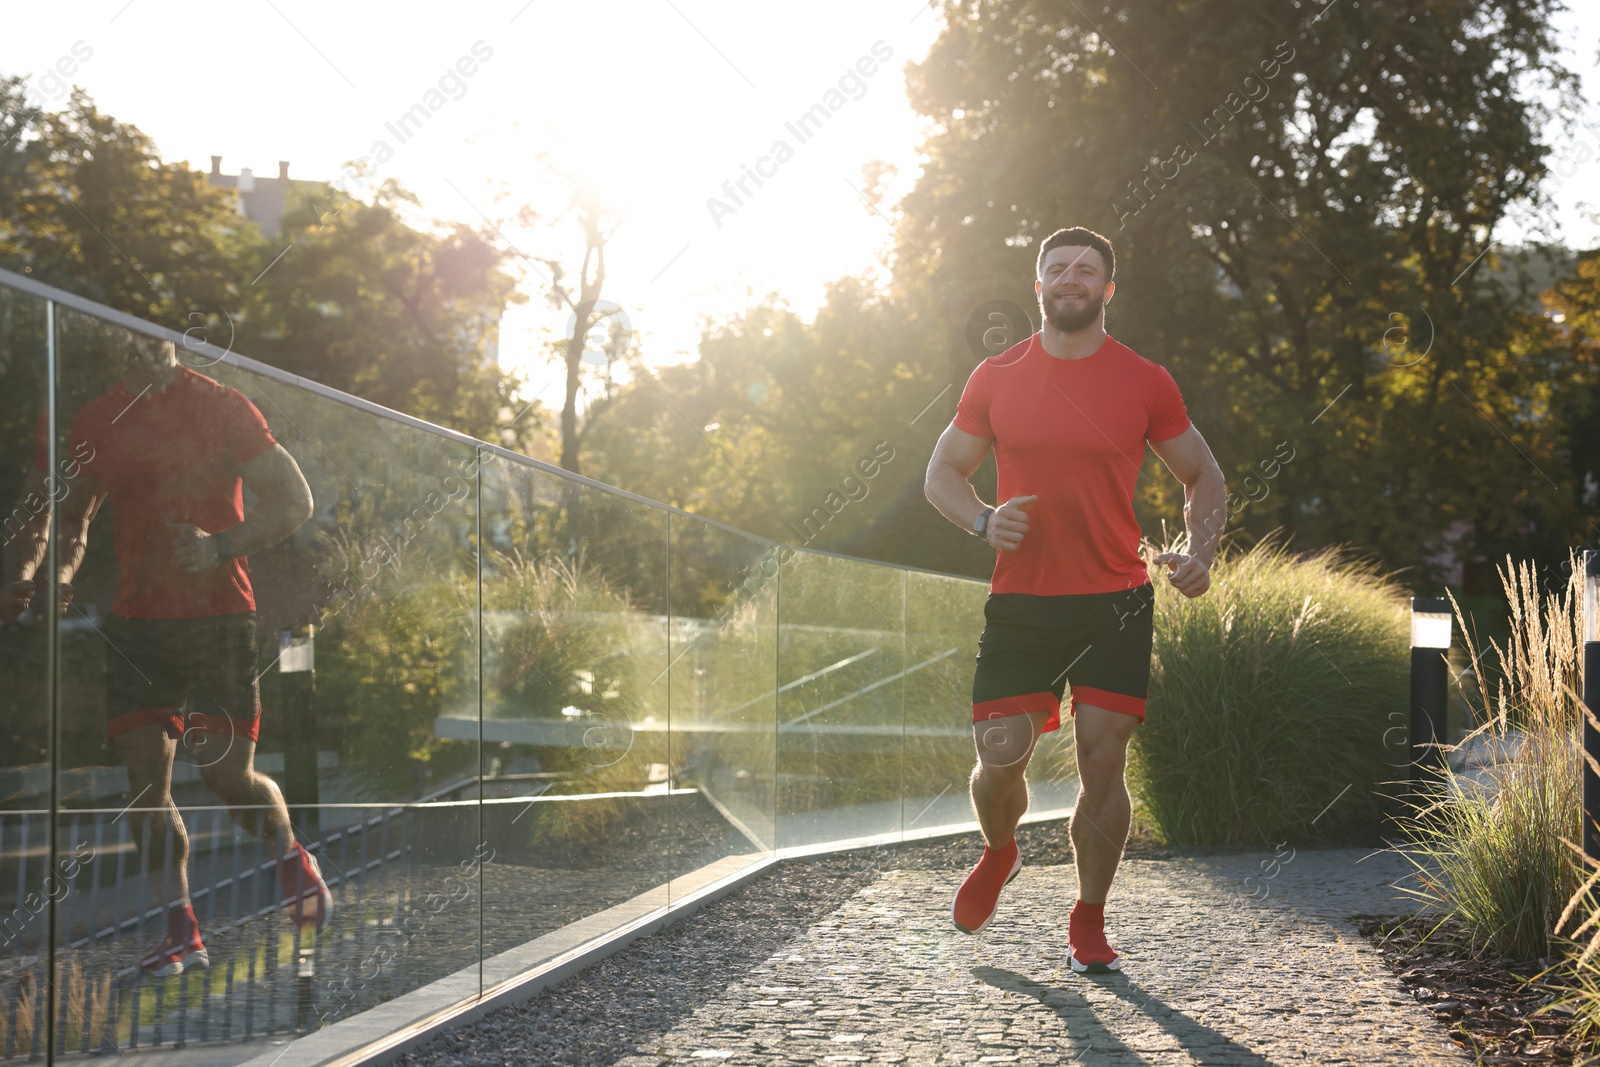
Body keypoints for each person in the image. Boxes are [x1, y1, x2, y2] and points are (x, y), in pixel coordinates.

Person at [924, 226, 1225, 973]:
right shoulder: (995, 376)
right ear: (1038, 286)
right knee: (1000, 754)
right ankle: (1001, 850)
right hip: (1022, 599)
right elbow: (942, 475)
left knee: (1103, 760)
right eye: (1056, 268)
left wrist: (1202, 554)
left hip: (1114, 598)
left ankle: (1088, 916)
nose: (1070, 277)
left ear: (1107, 289)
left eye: (1085, 269)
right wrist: (985, 520)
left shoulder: (1145, 380)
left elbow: (1204, 477)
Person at [0, 329, 330, 976]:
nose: (141, 354)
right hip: (136, 626)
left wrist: (220, 544)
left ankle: (292, 857)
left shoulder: (225, 406)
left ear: (171, 346)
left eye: (152, 344)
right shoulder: (99, 419)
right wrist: (50, 577)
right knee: (143, 785)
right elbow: (71, 518)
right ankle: (181, 933)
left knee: (225, 777)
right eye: (125, 345)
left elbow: (295, 500)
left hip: (219, 618)